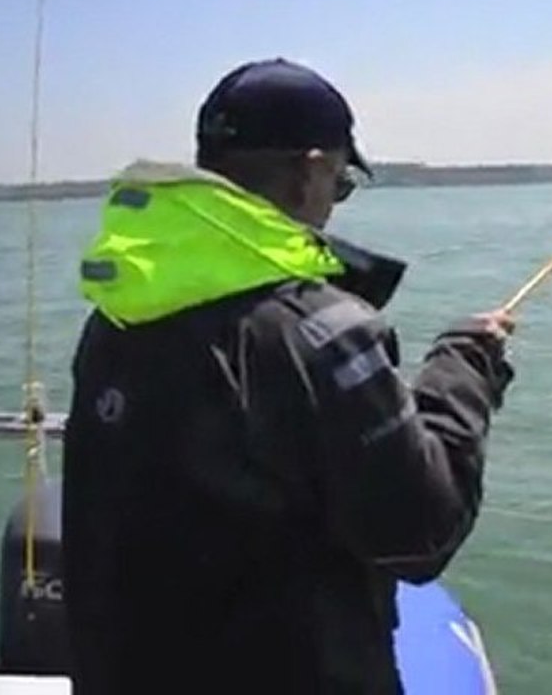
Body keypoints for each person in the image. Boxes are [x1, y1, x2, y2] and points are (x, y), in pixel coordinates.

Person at [61, 58, 515, 694]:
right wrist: (464, 367)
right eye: (340, 181)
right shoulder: (324, 330)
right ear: (308, 171)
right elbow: (420, 533)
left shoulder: (117, 316)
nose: (334, 200)